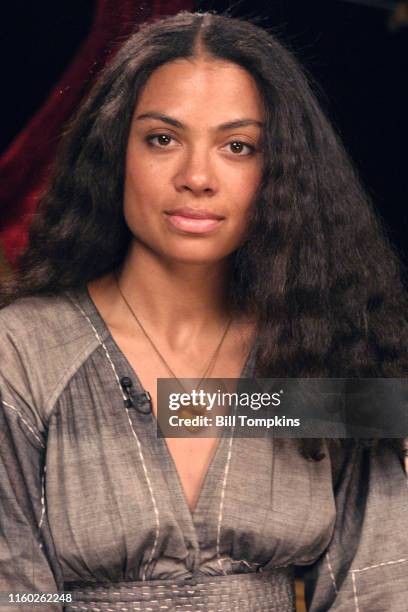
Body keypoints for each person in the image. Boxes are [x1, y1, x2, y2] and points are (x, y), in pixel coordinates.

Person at [0, 11, 407, 612]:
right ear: (115, 152)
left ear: (280, 174)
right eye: (163, 139)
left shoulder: (328, 350)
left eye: (237, 147)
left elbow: (378, 584)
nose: (197, 177)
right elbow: (15, 592)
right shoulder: (24, 351)